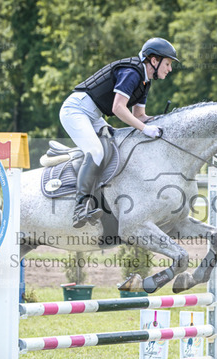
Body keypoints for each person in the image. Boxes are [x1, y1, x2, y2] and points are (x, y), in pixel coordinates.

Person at [60, 37, 179, 228]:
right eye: (168, 63)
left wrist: (161, 123)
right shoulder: (132, 73)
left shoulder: (145, 81)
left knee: (116, 145)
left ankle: (102, 199)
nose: (170, 69)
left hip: (93, 115)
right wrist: (145, 129)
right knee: (96, 151)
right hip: (76, 110)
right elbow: (118, 108)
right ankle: (80, 208)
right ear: (154, 60)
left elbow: (139, 116)